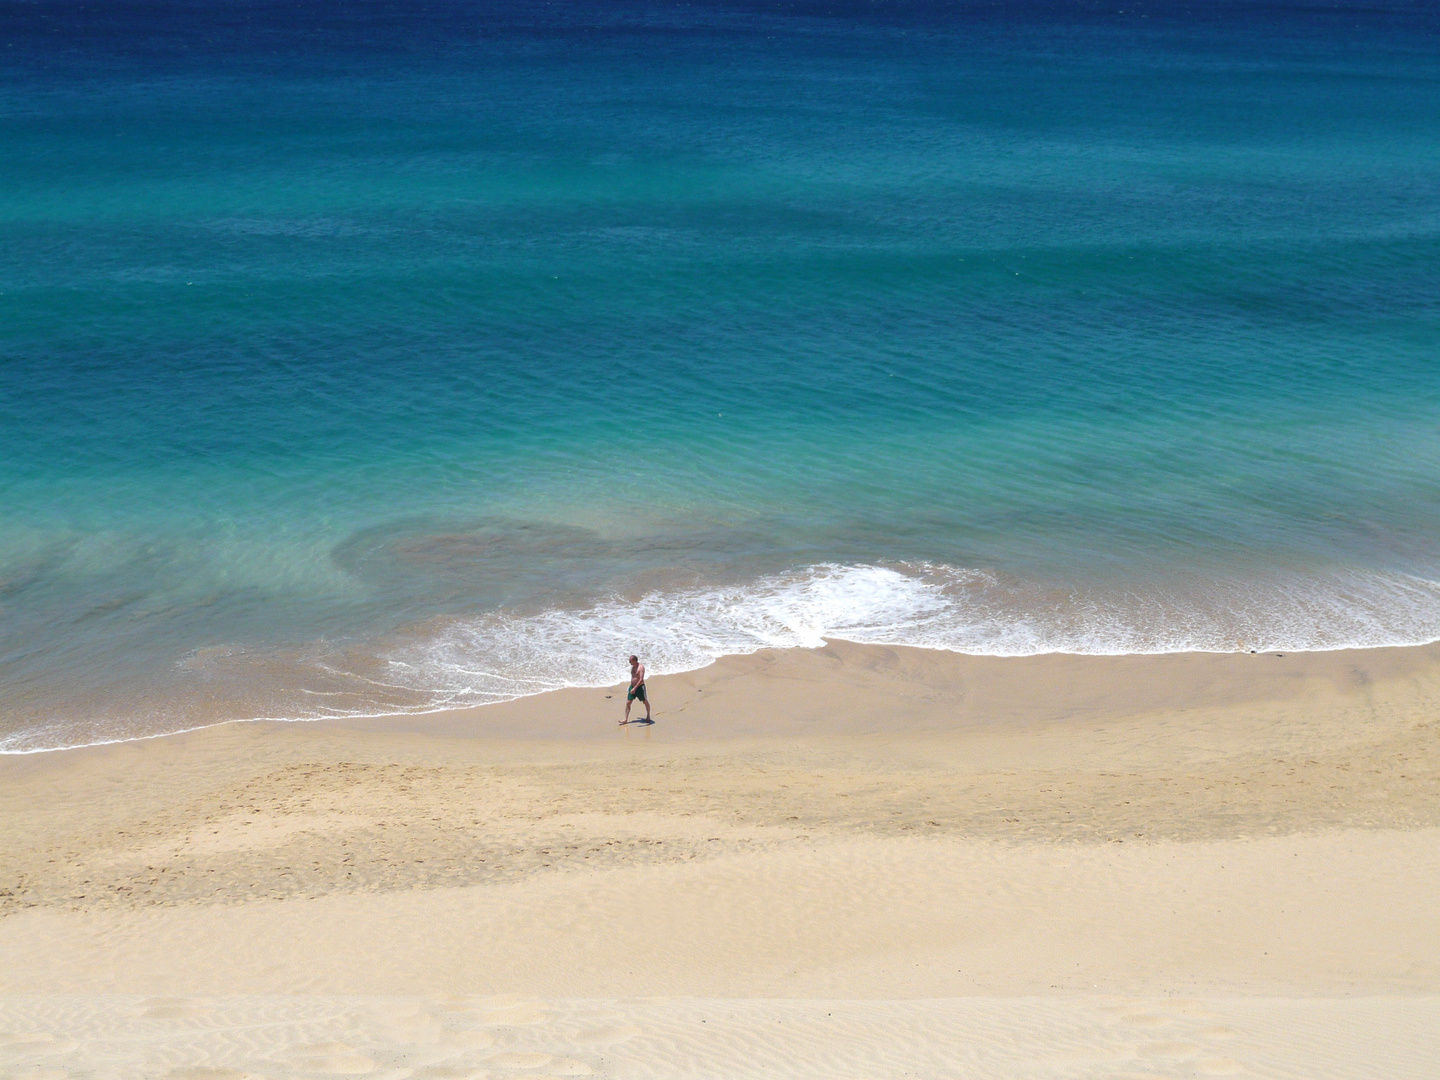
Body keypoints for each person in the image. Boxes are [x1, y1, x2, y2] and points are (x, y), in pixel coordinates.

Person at [621, 654, 652, 724]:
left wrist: (635, 688)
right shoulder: (633, 667)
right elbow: (633, 677)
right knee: (628, 702)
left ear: (635, 661)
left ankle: (648, 715)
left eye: (630, 661)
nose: (629, 663)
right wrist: (631, 686)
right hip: (632, 687)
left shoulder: (641, 668)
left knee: (645, 702)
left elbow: (641, 679)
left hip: (640, 687)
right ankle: (625, 719)